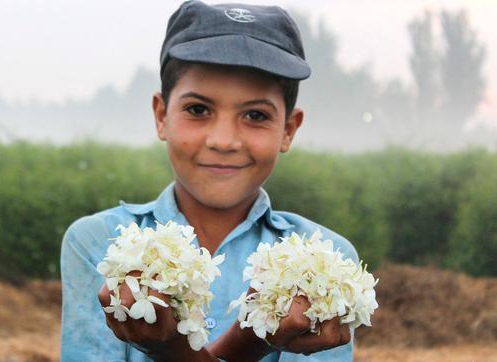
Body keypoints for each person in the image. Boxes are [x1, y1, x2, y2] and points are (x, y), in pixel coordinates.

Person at [60, 1, 359, 361]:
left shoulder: (326, 259)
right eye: (198, 110)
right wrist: (249, 341)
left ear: (288, 130)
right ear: (160, 116)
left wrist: (178, 349)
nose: (223, 140)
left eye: (255, 115)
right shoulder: (97, 243)